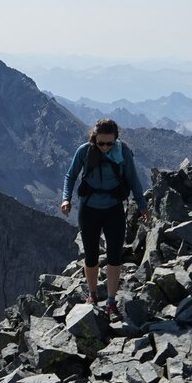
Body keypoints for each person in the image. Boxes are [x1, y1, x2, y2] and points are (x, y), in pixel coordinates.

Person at [60, 118, 149, 321]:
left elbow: (133, 179)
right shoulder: (84, 151)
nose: (105, 147)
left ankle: (111, 300)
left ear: (116, 139)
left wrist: (142, 205)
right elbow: (70, 176)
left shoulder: (123, 152)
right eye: (101, 143)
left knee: (114, 256)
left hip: (114, 209)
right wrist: (66, 199)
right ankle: (92, 295)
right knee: (91, 255)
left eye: (110, 143)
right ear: (94, 138)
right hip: (89, 209)